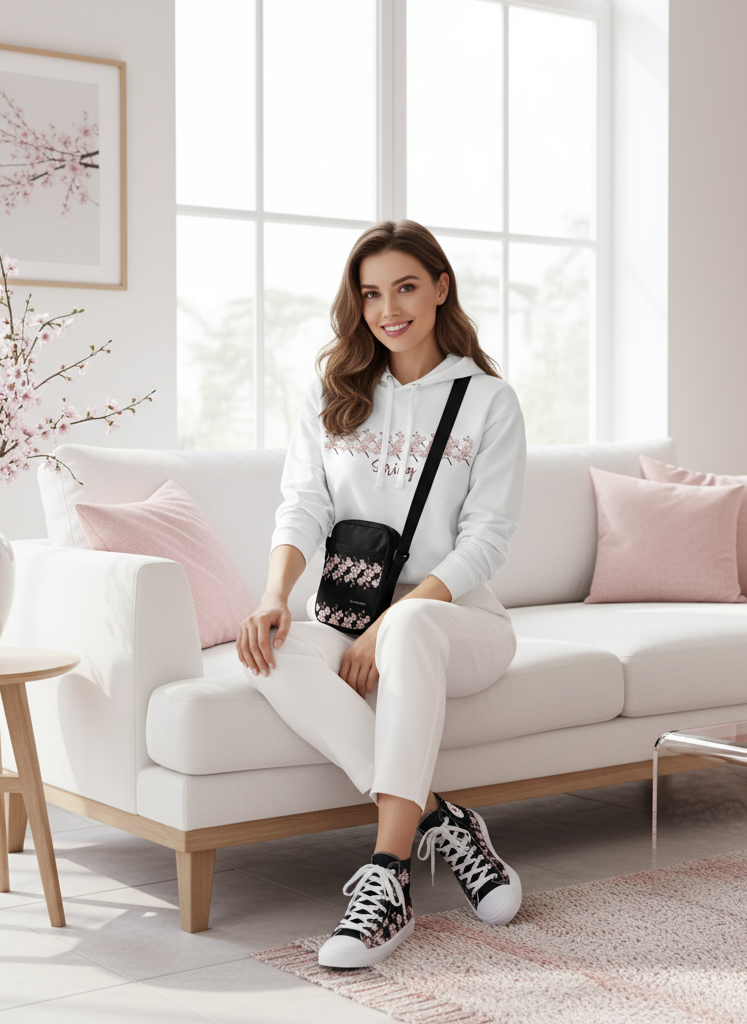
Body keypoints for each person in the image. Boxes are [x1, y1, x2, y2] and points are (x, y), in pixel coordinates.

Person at [236, 220, 527, 969]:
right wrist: (275, 594)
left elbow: (486, 541)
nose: (387, 308)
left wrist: (398, 618)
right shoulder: (335, 392)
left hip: (460, 621)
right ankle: (444, 821)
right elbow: (303, 505)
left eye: (404, 287)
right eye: (371, 293)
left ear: (440, 287)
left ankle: (389, 874)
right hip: (347, 612)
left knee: (414, 630)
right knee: (267, 654)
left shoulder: (487, 401)